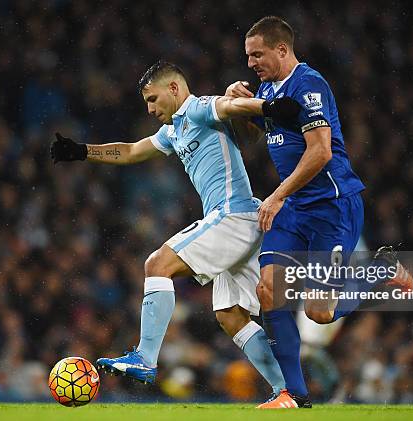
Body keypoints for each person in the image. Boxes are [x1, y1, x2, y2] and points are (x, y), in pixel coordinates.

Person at [50, 61, 301, 403]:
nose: (150, 109)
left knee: (157, 264)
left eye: (153, 99)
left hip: (233, 216)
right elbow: (131, 151)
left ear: (174, 89)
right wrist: (82, 151)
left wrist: (267, 107)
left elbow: (228, 105)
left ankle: (145, 358)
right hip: (240, 221)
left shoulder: (198, 109)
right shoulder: (174, 130)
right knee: (230, 316)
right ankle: (285, 392)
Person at [225, 16, 413, 408]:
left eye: (257, 54)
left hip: (332, 208)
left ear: (282, 49)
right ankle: (292, 393)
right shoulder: (267, 89)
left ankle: (380, 270)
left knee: (319, 313)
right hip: (295, 209)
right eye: (247, 56)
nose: (251, 63)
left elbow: (321, 151)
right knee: (269, 291)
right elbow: (253, 135)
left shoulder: (308, 84)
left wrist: (276, 195)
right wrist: (240, 104)